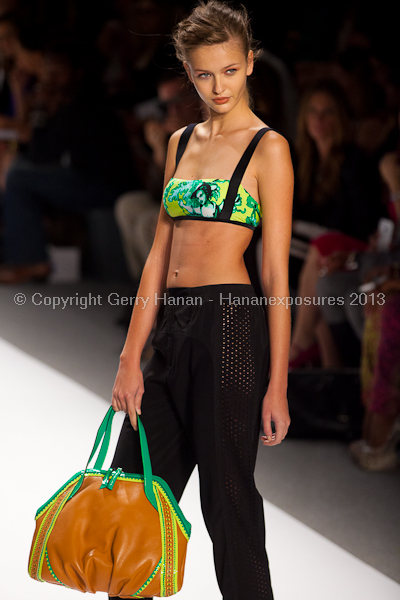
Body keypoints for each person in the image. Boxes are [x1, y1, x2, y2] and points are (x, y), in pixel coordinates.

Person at [109, 1, 293, 599]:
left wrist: (279, 385)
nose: (218, 86)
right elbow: (158, 258)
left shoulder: (269, 149)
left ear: (250, 64)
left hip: (232, 326)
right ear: (188, 73)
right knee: (133, 491)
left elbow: (275, 276)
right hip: (170, 329)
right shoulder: (180, 141)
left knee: (227, 498)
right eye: (205, 74)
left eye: (230, 71)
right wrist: (130, 357)